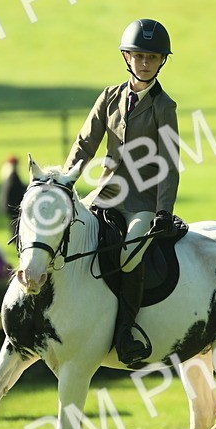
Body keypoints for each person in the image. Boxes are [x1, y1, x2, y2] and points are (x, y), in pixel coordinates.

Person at [64, 18, 179, 367]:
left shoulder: (164, 106)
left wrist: (163, 211)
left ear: (161, 61)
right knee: (70, 235)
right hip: (105, 193)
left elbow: (169, 163)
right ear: (127, 57)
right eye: (139, 56)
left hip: (142, 203)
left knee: (129, 255)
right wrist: (67, 179)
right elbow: (86, 143)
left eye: (152, 57)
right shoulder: (109, 97)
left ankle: (126, 330)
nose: (145, 63)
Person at [0, 156, 26, 238]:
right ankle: (15, 239)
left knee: (13, 224)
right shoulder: (13, 176)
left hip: (10, 205)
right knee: (15, 225)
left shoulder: (8, 175)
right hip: (13, 205)